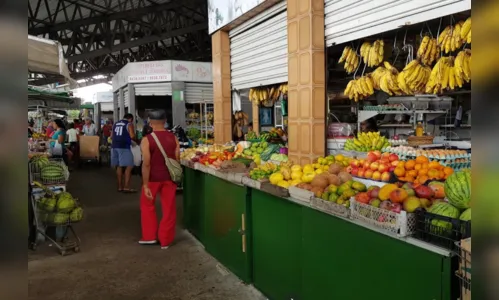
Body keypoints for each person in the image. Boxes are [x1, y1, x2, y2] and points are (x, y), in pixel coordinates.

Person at [139, 109, 180, 249]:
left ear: (150, 123)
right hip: (169, 178)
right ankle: (165, 240)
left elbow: (146, 163)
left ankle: (149, 237)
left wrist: (145, 185)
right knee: (169, 209)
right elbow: (177, 158)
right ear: (165, 121)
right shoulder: (173, 138)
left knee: (147, 206)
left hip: (152, 179)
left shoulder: (147, 139)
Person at [111, 113, 137, 193]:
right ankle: (126, 187)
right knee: (129, 166)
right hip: (124, 146)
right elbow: (132, 136)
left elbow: (111, 136)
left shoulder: (115, 124)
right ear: (131, 119)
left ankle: (119, 187)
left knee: (119, 166)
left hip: (114, 146)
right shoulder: (129, 124)